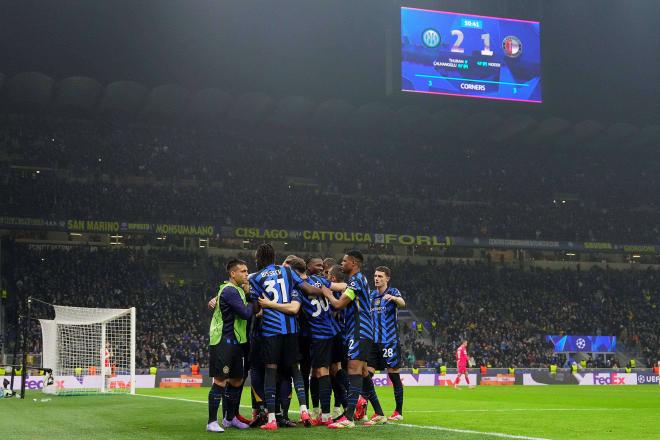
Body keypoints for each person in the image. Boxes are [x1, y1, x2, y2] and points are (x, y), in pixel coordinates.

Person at [250, 243, 331, 431]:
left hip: (270, 331)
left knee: (270, 371)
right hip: (292, 329)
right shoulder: (287, 271)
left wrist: (262, 305)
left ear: (259, 258)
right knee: (295, 369)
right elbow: (306, 288)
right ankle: (304, 409)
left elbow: (256, 309)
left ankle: (271, 419)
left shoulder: (256, 278)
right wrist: (326, 292)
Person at [323, 250, 387, 428]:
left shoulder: (356, 280)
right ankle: (380, 413)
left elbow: (337, 305)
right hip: (361, 331)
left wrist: (325, 292)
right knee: (364, 371)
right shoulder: (357, 280)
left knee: (353, 368)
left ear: (354, 262)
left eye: (344, 261)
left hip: (359, 331)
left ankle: (349, 418)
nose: (341, 264)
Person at [206, 259, 253, 432]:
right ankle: (211, 421)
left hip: (237, 342)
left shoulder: (237, 290)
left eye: (247, 271)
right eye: (243, 271)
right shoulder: (230, 291)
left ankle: (230, 418)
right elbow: (246, 313)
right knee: (220, 380)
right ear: (233, 273)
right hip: (223, 341)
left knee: (237, 379)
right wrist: (253, 301)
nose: (246, 274)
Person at [299, 256, 347, 425]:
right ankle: (349, 405)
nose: (321, 268)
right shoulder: (321, 281)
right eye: (317, 265)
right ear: (308, 267)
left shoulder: (299, 284)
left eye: (322, 265)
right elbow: (341, 286)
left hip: (320, 334)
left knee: (321, 372)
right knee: (335, 370)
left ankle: (325, 414)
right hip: (333, 332)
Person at [368, 266, 406, 421]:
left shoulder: (393, 292)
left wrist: (395, 299)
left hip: (389, 341)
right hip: (373, 342)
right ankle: (370, 409)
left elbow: (403, 303)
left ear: (387, 278)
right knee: (366, 375)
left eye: (380, 276)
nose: (377, 278)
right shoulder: (371, 295)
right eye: (375, 275)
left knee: (394, 377)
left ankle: (398, 412)